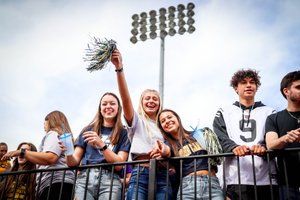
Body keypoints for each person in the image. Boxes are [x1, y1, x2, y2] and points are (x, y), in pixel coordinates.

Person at [111, 49, 173, 199]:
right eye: (147, 99)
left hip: (163, 175)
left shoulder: (165, 124)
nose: (151, 101)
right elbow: (125, 99)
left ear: (159, 104)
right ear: (141, 102)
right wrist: (119, 69)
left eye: (155, 99)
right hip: (141, 173)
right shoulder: (137, 120)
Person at [213, 69, 279, 199]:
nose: (249, 85)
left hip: (266, 178)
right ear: (236, 88)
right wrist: (233, 147)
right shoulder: (224, 112)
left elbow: (274, 136)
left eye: (252, 82)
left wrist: (264, 147)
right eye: (243, 82)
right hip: (235, 178)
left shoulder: (270, 111)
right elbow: (219, 135)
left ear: (256, 87)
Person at [64, 92, 131, 200]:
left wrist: (101, 144)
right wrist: (68, 152)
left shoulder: (124, 133)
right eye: (104, 104)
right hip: (84, 180)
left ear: (118, 108)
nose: (108, 106)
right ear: (100, 109)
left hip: (111, 180)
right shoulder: (88, 129)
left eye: (112, 103)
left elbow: (119, 164)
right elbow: (73, 162)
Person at [2, 110, 75, 200]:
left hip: (54, 185)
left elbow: (50, 158)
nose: (44, 126)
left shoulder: (52, 134)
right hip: (64, 184)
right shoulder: (63, 137)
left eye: (44, 123)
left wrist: (22, 152)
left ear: (51, 121)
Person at [157, 109, 224, 199]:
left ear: (177, 119)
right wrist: (162, 150)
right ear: (162, 127)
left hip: (212, 184)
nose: (167, 121)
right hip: (188, 187)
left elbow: (217, 155)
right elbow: (166, 151)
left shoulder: (198, 135)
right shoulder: (168, 144)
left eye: (169, 117)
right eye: (163, 121)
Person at [265, 70, 300, 200]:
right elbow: (271, 144)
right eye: (298, 87)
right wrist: (286, 138)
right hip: (287, 184)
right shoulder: (273, 118)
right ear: (286, 91)